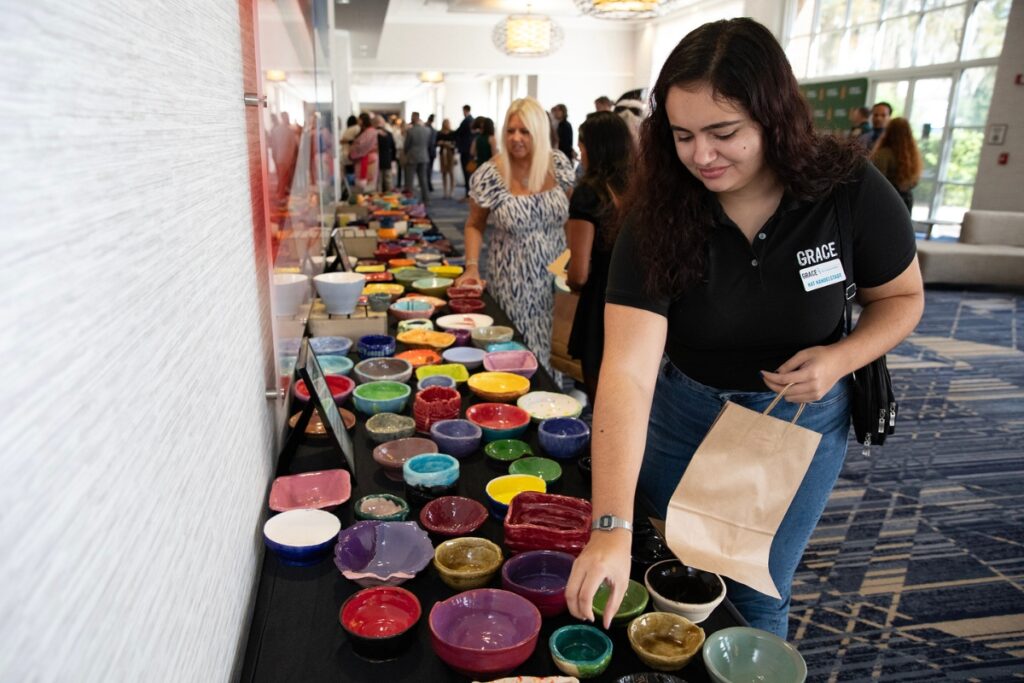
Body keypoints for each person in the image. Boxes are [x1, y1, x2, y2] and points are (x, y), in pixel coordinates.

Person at [564, 18, 924, 639]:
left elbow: (902, 297)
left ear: (774, 117)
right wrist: (610, 528)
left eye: (724, 133)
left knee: (756, 595)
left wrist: (842, 357)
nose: (701, 156)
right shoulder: (660, 210)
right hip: (685, 415)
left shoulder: (844, 189)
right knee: (670, 579)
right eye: (682, 135)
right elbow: (627, 373)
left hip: (797, 424)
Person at [455, 97, 575, 374]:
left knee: (552, 350)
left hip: (555, 280)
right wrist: (471, 266)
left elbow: (571, 217)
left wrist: (575, 262)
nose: (516, 138)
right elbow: (474, 224)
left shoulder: (558, 164)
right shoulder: (490, 174)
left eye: (524, 131)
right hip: (513, 281)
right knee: (517, 353)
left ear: (539, 133)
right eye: (510, 131)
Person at [564, 112, 634, 403]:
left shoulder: (588, 194)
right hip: (639, 303)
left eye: (581, 146)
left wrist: (570, 280)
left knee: (602, 396)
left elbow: (579, 274)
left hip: (600, 304)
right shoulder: (641, 188)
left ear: (592, 148)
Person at [871, 117, 922, 213]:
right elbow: (914, 181)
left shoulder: (883, 154)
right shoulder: (912, 156)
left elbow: (876, 182)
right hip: (906, 200)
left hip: (887, 201)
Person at [269, 111, 299, 204]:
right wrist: (292, 159)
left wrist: (274, 157)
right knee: (283, 178)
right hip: (286, 158)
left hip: (278, 157)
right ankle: (280, 197)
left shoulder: (276, 130)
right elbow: (293, 146)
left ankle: (280, 195)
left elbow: (273, 145)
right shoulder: (290, 131)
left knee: (281, 178)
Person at [403, 112, 431, 203]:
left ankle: (409, 200)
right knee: (423, 179)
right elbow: (429, 144)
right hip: (424, 156)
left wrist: (405, 153)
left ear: (413, 118)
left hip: (412, 156)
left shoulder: (410, 131)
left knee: (409, 180)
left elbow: (406, 145)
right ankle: (426, 199)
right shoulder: (427, 130)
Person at [348, 112, 378, 192]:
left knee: (368, 184)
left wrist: (353, 148)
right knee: (363, 184)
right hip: (363, 158)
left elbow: (362, 145)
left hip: (368, 158)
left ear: (363, 120)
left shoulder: (371, 131)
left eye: (359, 120)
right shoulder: (365, 131)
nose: (358, 122)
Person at [455, 105, 475, 197]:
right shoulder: (472, 120)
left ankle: (468, 192)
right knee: (469, 171)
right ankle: (469, 192)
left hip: (466, 150)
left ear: (465, 110)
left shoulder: (467, 121)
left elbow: (458, 133)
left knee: (467, 171)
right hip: (470, 151)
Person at [374, 115, 396, 192]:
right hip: (387, 160)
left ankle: (378, 198)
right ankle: (389, 197)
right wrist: (393, 160)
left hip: (376, 161)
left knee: (378, 183)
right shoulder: (389, 134)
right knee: (388, 182)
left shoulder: (373, 133)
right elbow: (393, 148)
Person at [436, 118, 457, 199]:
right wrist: (441, 143)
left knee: (451, 172)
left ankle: (452, 190)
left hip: (450, 153)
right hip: (442, 154)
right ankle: (445, 190)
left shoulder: (452, 133)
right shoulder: (439, 133)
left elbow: (454, 144)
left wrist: (449, 144)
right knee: (444, 172)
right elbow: (436, 142)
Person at [426, 114, 438, 192]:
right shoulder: (433, 130)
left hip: (428, 151)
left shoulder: (428, 130)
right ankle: (428, 184)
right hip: (430, 151)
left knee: (427, 169)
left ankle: (428, 183)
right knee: (429, 169)